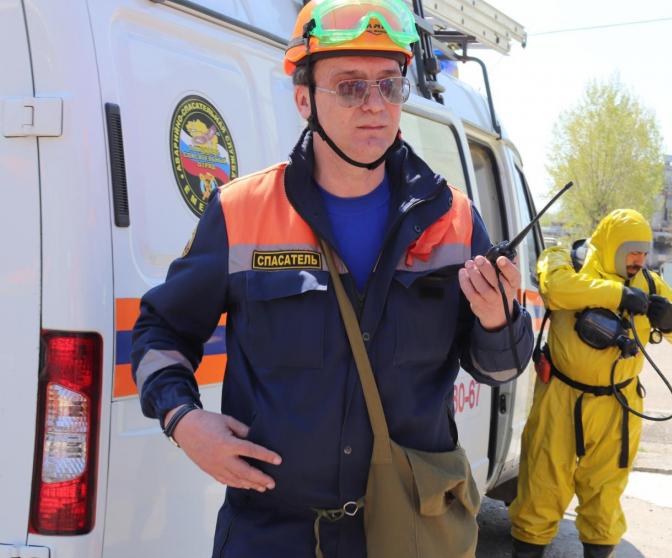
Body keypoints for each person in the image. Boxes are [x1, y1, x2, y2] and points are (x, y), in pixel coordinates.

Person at [129, 1, 534, 555]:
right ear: (304, 100)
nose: (374, 105)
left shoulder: (453, 218)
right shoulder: (241, 211)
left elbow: (502, 367)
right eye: (349, 86)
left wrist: (499, 319)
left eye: (389, 85)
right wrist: (183, 420)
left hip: (408, 531)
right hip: (272, 534)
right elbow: (158, 333)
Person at [508, 209, 672, 558]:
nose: (639, 260)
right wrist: (618, 296)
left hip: (618, 406)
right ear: (612, 246)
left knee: (605, 491)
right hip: (561, 398)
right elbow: (554, 289)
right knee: (542, 484)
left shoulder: (650, 284)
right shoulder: (567, 263)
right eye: (632, 252)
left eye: (644, 252)